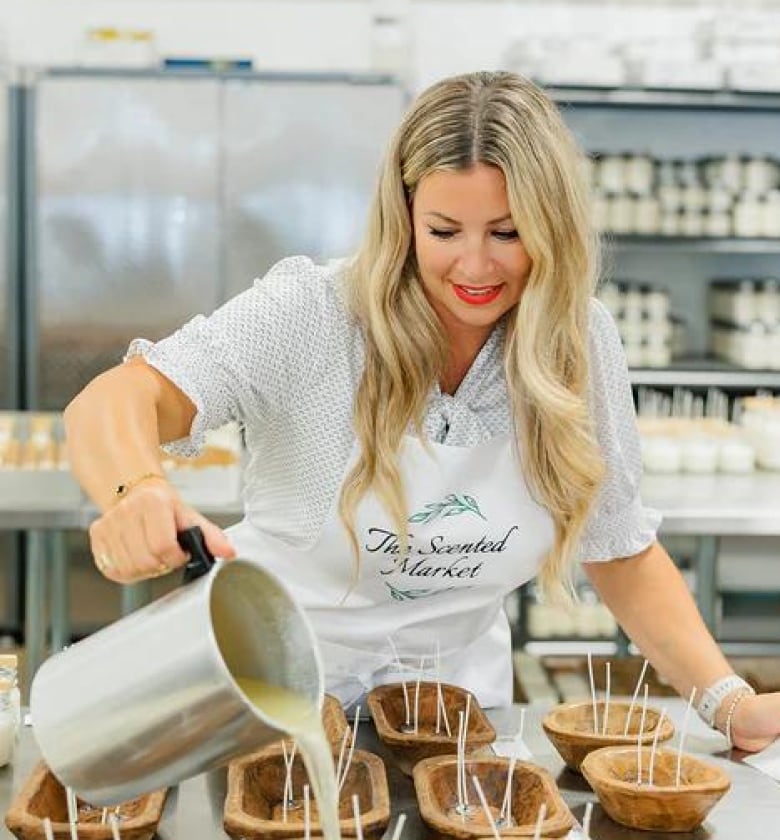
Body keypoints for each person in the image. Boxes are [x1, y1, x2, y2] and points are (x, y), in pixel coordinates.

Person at [64, 70, 779, 752]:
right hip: (271, 697)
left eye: (507, 233)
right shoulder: (315, 313)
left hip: (455, 719)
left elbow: (619, 548)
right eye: (444, 232)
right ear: (403, 215)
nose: (474, 267)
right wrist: (137, 490)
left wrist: (729, 703)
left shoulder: (577, 341)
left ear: (553, 228)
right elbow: (122, 397)